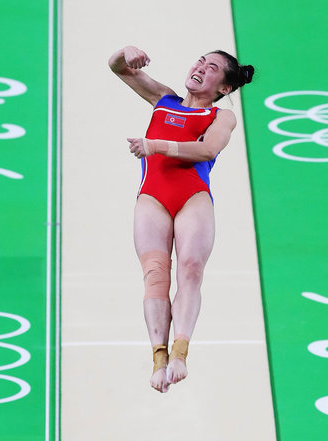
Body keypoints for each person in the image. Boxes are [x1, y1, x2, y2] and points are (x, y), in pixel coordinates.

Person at [109, 45, 254, 393]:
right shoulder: (164, 99)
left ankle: (180, 353)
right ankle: (159, 357)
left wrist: (155, 146)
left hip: (193, 198)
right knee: (155, 275)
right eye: (201, 61)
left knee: (190, 269)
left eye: (213, 68)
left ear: (224, 88)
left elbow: (207, 150)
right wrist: (124, 53)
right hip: (152, 197)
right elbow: (117, 68)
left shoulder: (221, 117)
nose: (201, 68)